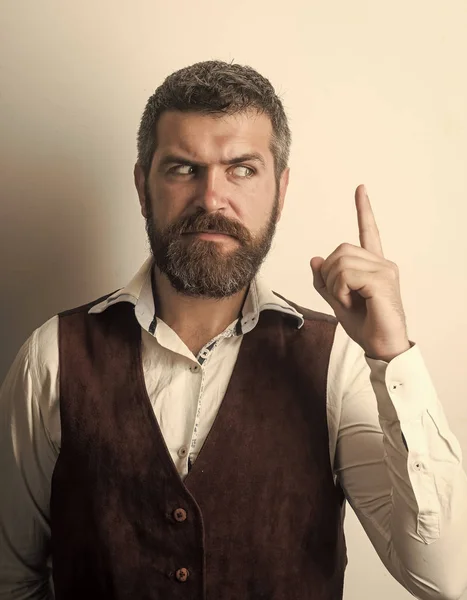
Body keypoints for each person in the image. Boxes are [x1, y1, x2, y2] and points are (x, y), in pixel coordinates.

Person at [0, 60, 466, 600]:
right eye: (182, 168)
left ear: (281, 189)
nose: (211, 199)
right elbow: (11, 580)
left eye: (242, 169)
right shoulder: (52, 357)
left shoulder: (338, 360)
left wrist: (392, 354)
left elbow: (444, 578)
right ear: (142, 185)